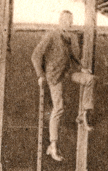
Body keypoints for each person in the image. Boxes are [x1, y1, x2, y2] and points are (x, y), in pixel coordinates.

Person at [31, 10, 96, 162]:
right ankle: (53, 145)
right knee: (58, 108)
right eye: (67, 20)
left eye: (71, 20)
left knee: (91, 79)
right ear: (60, 20)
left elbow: (71, 57)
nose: (70, 23)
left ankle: (84, 114)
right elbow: (35, 55)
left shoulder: (69, 37)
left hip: (67, 72)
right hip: (54, 77)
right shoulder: (52, 34)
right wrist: (41, 76)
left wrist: (82, 69)